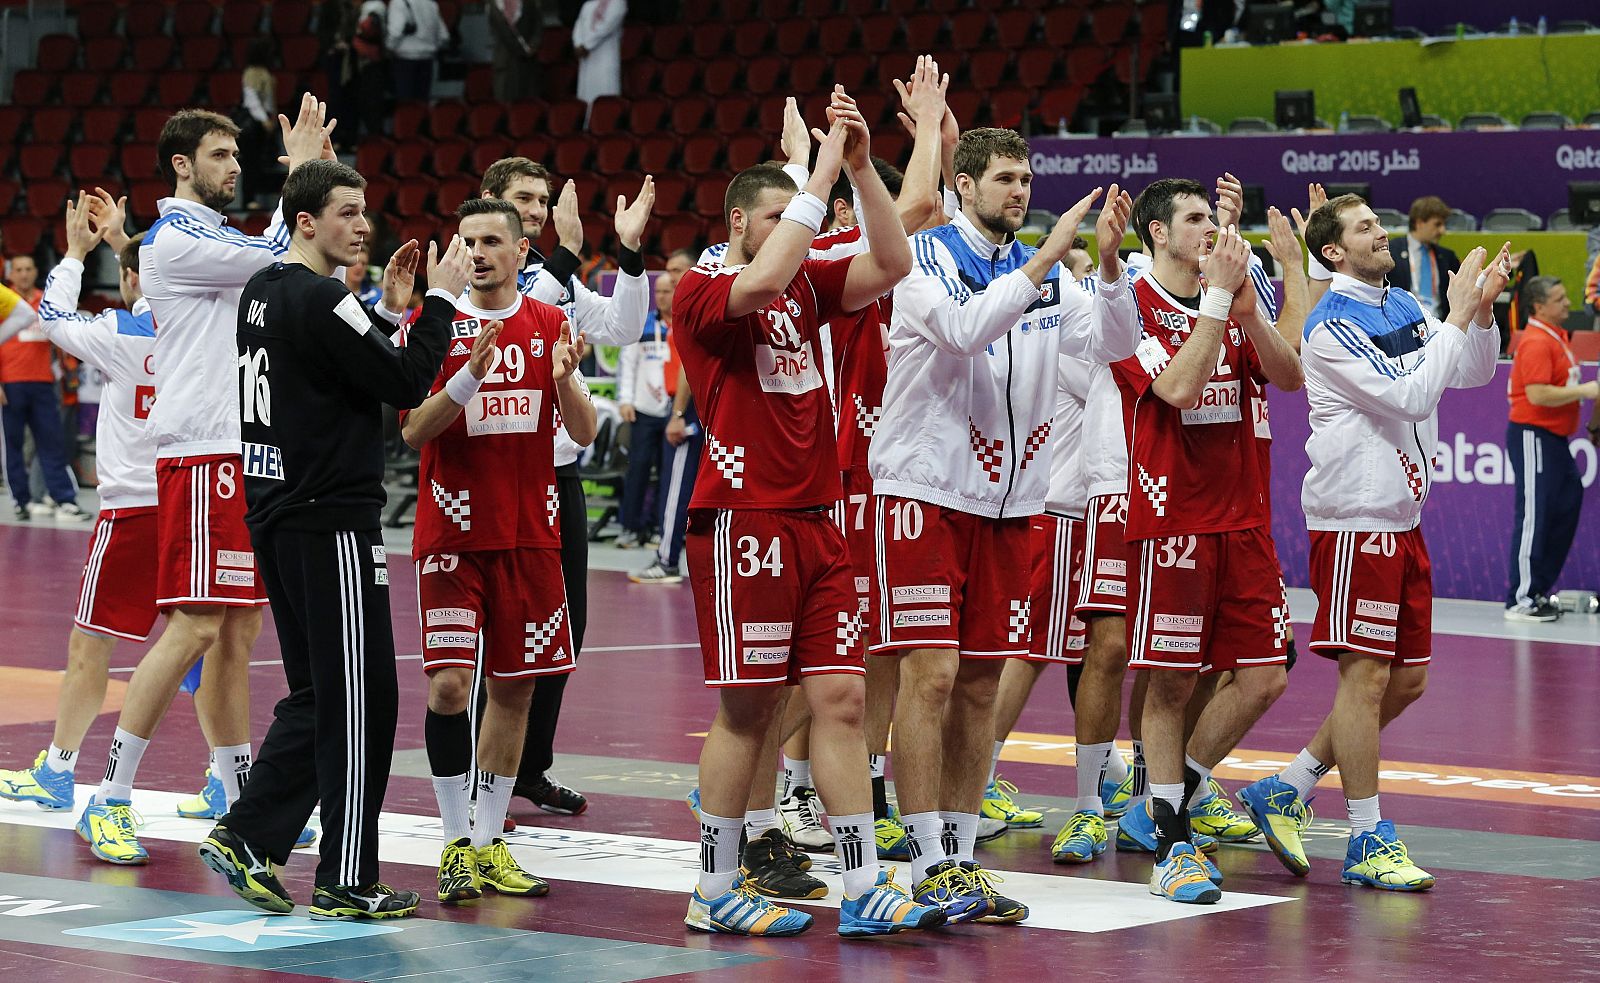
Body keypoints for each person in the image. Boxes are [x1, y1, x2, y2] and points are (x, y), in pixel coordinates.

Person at [673, 96, 941, 939]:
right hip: (743, 519)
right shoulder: (704, 288)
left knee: (841, 700)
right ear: (738, 220)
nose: (795, 224)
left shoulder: (807, 287)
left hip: (819, 520)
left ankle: (862, 883)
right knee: (749, 709)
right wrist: (819, 172)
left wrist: (861, 167)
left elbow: (892, 261)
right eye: (776, 213)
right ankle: (714, 888)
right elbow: (757, 280)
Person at [869, 120, 1137, 924]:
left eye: (1026, 179)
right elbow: (960, 330)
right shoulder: (923, 254)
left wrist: (1113, 269)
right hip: (924, 488)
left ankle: (958, 855)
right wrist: (1046, 259)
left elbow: (1115, 347)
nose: (1020, 192)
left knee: (982, 683)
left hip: (1013, 502)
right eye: (1005, 180)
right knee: (933, 675)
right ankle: (920, 861)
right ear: (965, 186)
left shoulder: (1052, 276)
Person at [199, 159, 467, 920]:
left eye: (365, 211)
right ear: (306, 222)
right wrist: (438, 300)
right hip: (330, 517)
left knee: (322, 694)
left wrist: (385, 309)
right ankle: (346, 874)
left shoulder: (265, 290)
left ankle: (248, 834)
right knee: (361, 699)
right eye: (347, 212)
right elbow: (407, 380)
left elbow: (337, 368)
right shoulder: (321, 295)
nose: (364, 224)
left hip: (279, 512)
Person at [76, 97, 330, 867]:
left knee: (240, 629)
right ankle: (108, 797)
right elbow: (281, 256)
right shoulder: (175, 235)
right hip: (199, 451)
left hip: (244, 448)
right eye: (220, 155)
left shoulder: (215, 231)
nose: (234, 166)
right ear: (183, 164)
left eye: (237, 155)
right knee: (191, 625)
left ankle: (234, 785)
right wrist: (306, 174)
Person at [1239, 197, 1504, 892]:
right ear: (1333, 252)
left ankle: (1288, 785)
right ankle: (1365, 837)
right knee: (1366, 679)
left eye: (1377, 223)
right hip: (1355, 516)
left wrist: (1479, 312)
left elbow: (1472, 372)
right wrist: (1452, 315)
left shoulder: (1404, 306)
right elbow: (1414, 395)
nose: (1379, 232)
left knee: (1408, 680)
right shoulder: (1332, 326)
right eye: (1363, 228)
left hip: (1402, 514)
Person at [1099, 179, 1303, 905]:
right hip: (1173, 519)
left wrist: (1252, 309)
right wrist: (1220, 304)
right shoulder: (1129, 307)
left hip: (1245, 522)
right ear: (1156, 234)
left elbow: (1289, 374)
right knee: (1172, 680)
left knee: (1266, 676)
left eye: (1211, 220)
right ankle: (1169, 841)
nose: (1209, 232)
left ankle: (1163, 801)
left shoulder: (1233, 291)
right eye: (1193, 221)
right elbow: (1179, 388)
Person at [399, 197, 594, 905]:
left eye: (489, 241)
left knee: (515, 688)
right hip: (452, 537)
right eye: (466, 240)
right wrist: (468, 376)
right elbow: (414, 430)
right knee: (451, 686)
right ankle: (454, 843)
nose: (476, 252)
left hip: (531, 536)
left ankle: (487, 843)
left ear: (520, 253)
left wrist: (567, 375)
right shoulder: (435, 325)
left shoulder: (549, 323)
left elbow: (585, 430)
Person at [480, 156, 651, 816]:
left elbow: (624, 328)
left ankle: (526, 767)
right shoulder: (480, 269)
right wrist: (567, 255)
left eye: (543, 199)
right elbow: (513, 321)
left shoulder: (555, 279)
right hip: (498, 476)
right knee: (499, 633)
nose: (535, 208)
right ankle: (482, 767)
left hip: (559, 473)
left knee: (564, 629)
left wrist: (629, 254)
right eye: (523, 197)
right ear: (491, 198)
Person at [1505, 275, 1592, 621]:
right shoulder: (1537, 341)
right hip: (1533, 435)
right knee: (1534, 515)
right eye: (1559, 299)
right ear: (1539, 306)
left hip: (1555, 438)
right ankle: (1520, 598)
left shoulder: (1557, 338)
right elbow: (1538, 394)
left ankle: (1538, 589)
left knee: (1567, 503)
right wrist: (1587, 392)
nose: (1568, 303)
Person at [2, 259, 84, 521]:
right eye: (19, 269)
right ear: (11, 273)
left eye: (29, 269)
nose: (24, 274)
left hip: (43, 383)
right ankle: (21, 501)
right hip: (9, 384)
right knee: (12, 445)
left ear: (36, 272)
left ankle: (65, 501)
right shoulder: (5, 301)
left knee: (53, 443)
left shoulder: (46, 301)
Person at [614, 273, 675, 549]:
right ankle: (629, 527)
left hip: (674, 410)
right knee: (637, 470)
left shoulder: (685, 323)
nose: (661, 296)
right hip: (643, 410)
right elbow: (627, 364)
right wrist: (625, 400)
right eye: (658, 291)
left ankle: (660, 529)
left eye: (667, 291)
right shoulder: (643, 324)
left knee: (668, 473)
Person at [1387, 195, 1459, 319]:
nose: (1443, 231)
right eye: (1437, 225)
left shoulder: (1447, 257)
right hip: (1403, 325)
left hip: (1440, 326)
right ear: (1419, 223)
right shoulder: (1391, 251)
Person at [237, 41, 277, 208]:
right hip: (254, 123)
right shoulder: (251, 73)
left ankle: (258, 197)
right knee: (250, 161)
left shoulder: (265, 73)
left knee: (261, 161)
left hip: (265, 120)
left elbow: (269, 100)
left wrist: (272, 118)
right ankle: (249, 199)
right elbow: (252, 101)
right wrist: (264, 120)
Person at [387, 0, 449, 101]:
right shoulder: (431, 4)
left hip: (405, 60)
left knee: (406, 105)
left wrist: (389, 48)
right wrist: (432, 47)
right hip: (427, 59)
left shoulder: (398, 3)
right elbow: (444, 36)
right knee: (421, 104)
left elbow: (395, 32)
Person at [572, 0, 624, 118]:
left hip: (605, 59)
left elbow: (606, 27)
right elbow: (578, 26)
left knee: (606, 100)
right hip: (587, 59)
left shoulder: (618, 3)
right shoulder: (588, 5)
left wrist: (586, 45)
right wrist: (578, 43)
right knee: (586, 99)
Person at [489, 0, 542, 102]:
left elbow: (538, 25)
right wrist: (523, 50)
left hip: (528, 65)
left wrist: (533, 45)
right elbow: (503, 34)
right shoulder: (493, 5)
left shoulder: (530, 3)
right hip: (505, 65)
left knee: (528, 107)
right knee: (505, 106)